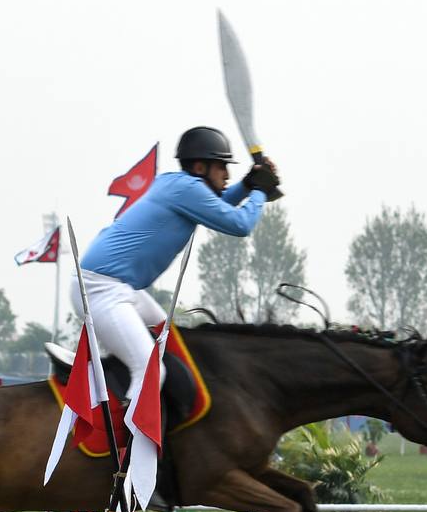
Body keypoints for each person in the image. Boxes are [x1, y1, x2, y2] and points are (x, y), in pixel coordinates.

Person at [71, 126, 281, 404]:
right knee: (150, 372)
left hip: (120, 289)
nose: (227, 175)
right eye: (222, 168)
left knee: (171, 342)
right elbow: (239, 224)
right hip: (100, 290)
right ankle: (126, 443)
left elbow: (219, 206)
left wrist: (248, 185)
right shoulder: (187, 189)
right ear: (199, 167)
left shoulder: (179, 185)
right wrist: (259, 190)